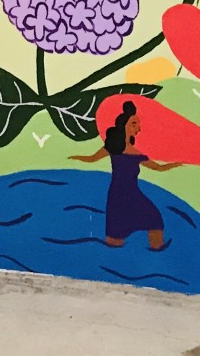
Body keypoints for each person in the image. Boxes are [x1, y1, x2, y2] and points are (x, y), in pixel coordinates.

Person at [70, 102, 181, 250]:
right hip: (118, 195)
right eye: (134, 123)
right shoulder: (112, 148)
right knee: (115, 239)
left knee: (155, 220)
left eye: (138, 124)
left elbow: (158, 168)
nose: (138, 128)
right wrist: (73, 157)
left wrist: (177, 164)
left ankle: (156, 251)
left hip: (133, 195)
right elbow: (91, 158)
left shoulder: (137, 154)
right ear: (124, 125)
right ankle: (110, 263)